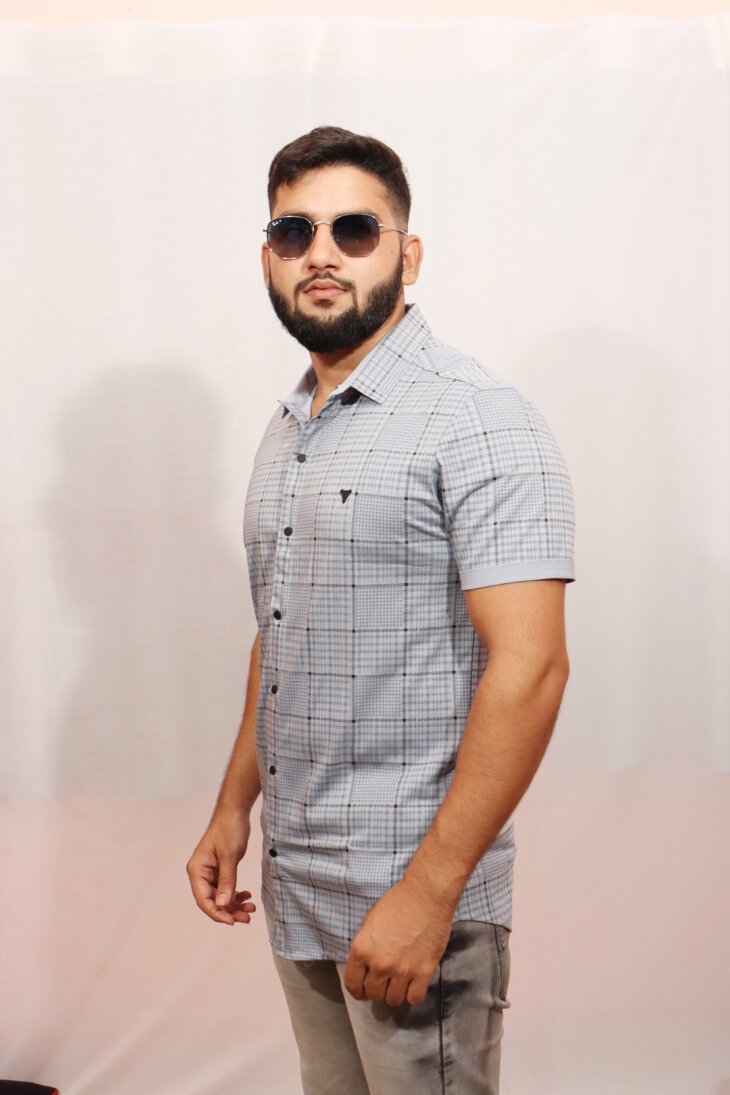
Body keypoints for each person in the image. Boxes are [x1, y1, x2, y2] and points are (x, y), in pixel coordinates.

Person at [187, 125, 575, 1095]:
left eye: (354, 229)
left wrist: (430, 894)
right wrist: (234, 807)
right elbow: (284, 629)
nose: (321, 252)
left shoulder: (476, 417)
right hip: (298, 882)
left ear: (408, 253)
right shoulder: (291, 427)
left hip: (411, 895)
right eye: (294, 231)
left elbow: (531, 670)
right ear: (269, 259)